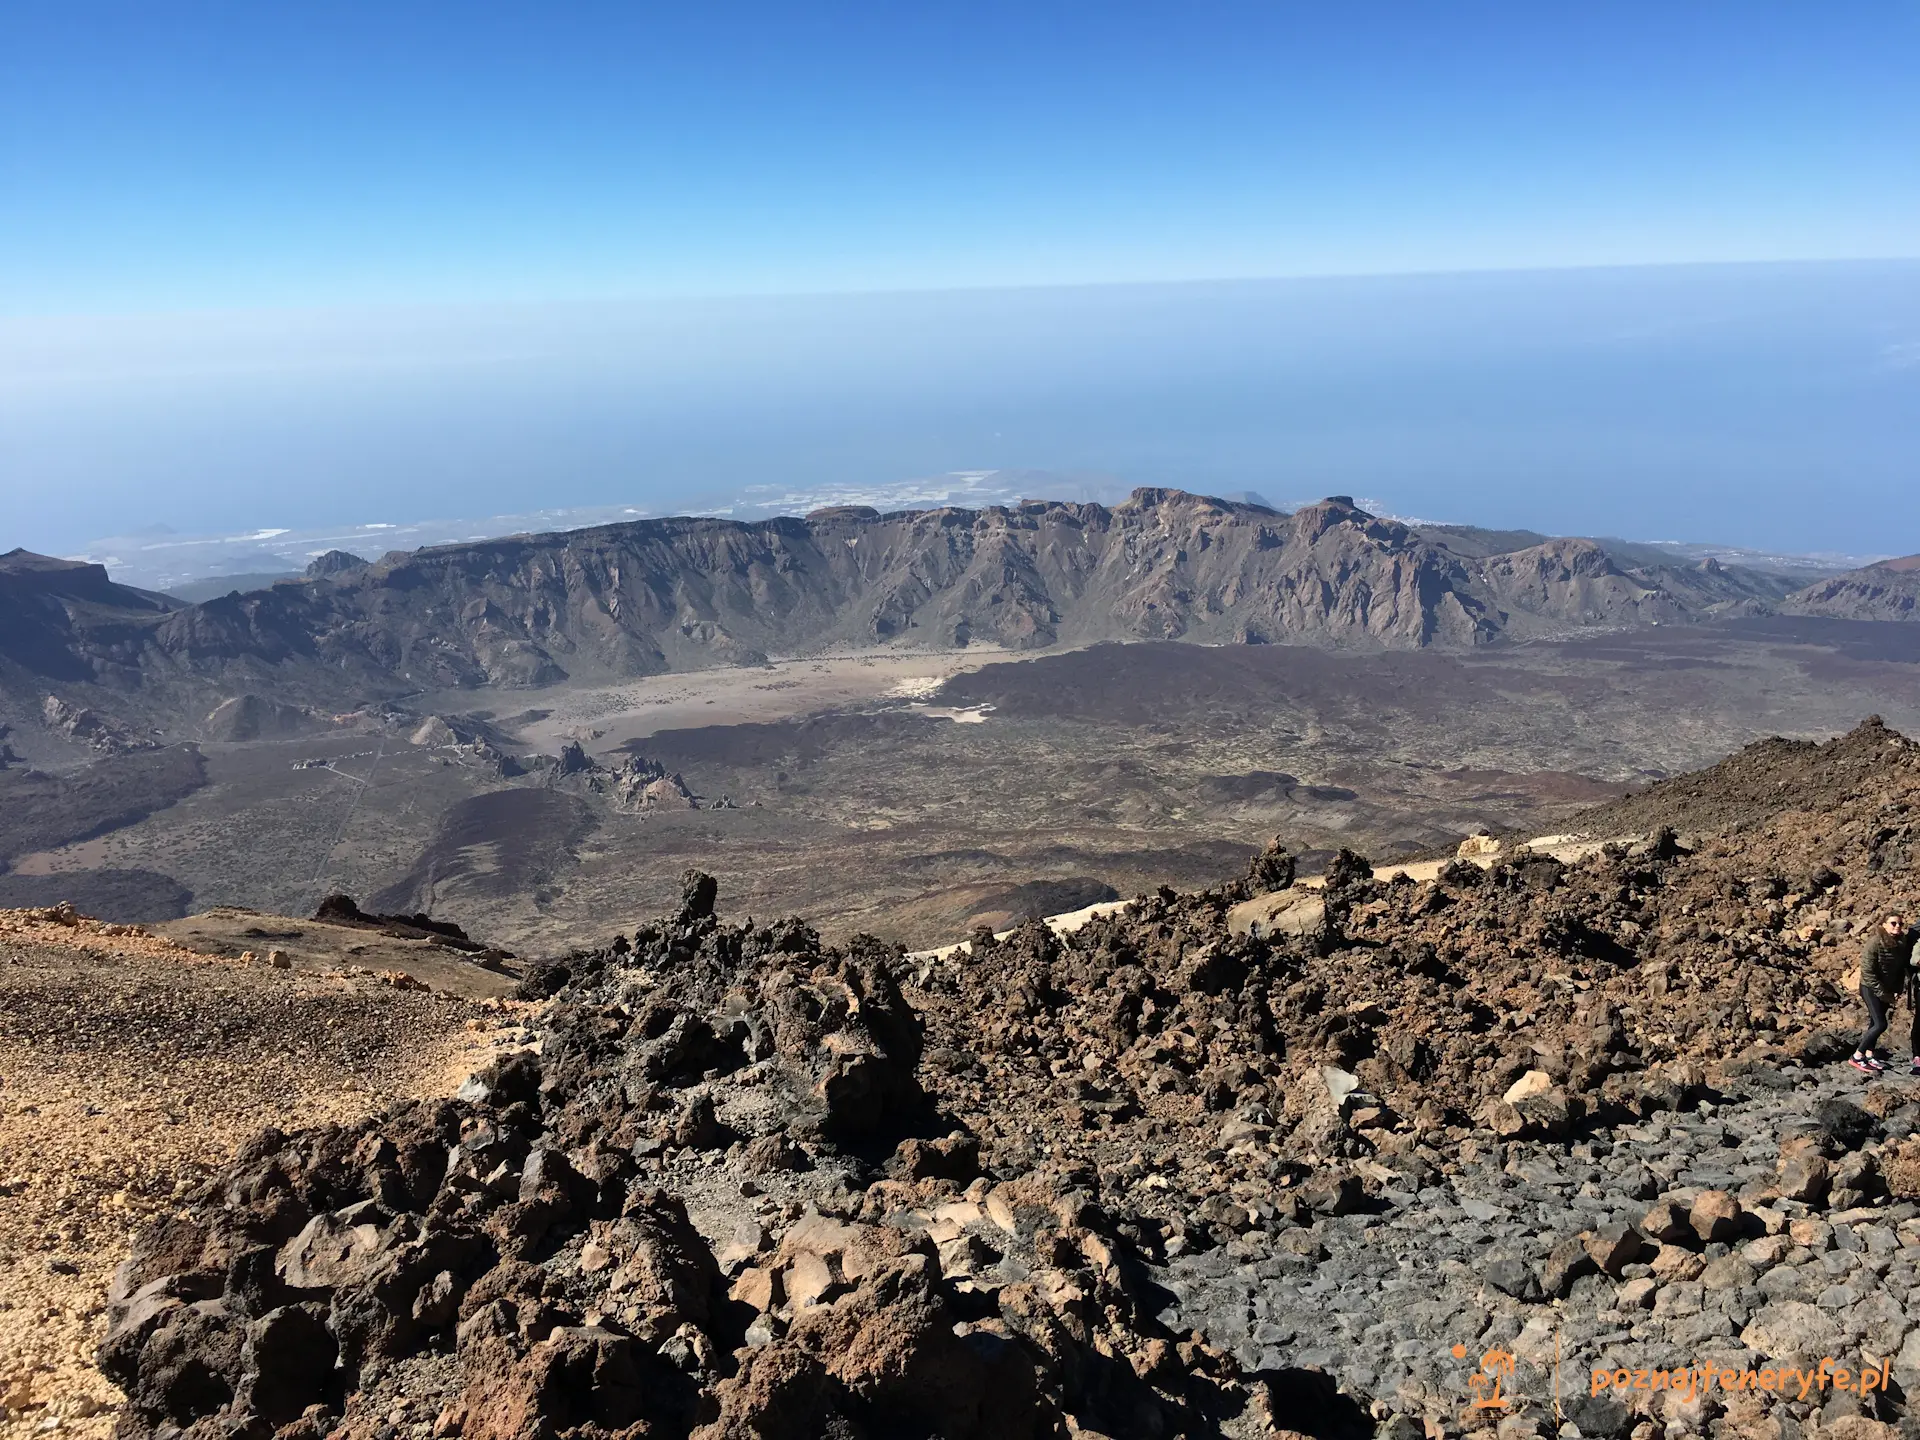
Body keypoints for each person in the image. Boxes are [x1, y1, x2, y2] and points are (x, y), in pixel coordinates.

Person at [1852, 913, 1919, 1074]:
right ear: (1884, 925)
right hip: (1870, 987)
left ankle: (1869, 1055)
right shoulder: (1875, 942)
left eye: (1900, 924)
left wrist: (1896, 990)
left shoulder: (1901, 943)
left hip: (1887, 989)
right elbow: (1867, 971)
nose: (1897, 926)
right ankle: (1857, 1056)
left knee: (1873, 1023)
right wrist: (1881, 992)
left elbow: (1900, 969)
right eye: (1893, 923)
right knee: (1880, 1024)